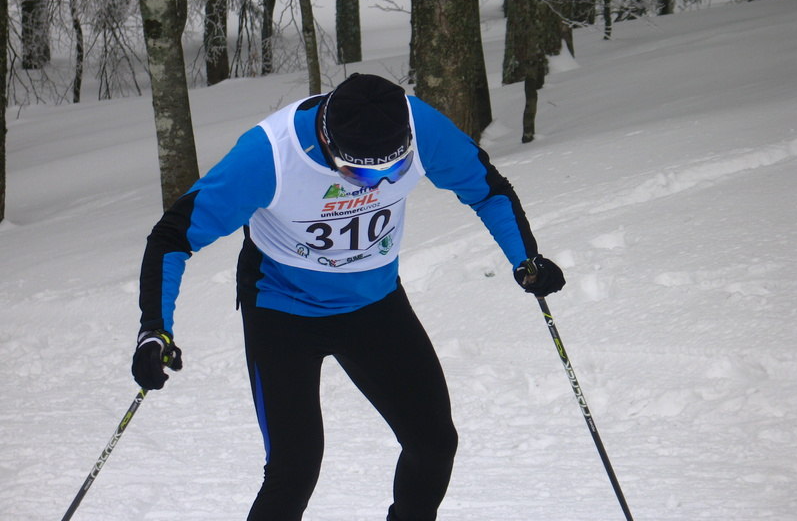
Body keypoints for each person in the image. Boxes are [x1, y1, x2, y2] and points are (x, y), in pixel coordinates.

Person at [131, 73, 565, 521]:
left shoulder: (419, 126)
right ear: (329, 144)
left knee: (434, 443)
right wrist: (154, 330)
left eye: (395, 170)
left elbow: (488, 190)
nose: (377, 185)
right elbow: (172, 237)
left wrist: (525, 258)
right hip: (282, 311)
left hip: (373, 304)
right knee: (294, 469)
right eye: (361, 174)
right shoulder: (270, 155)